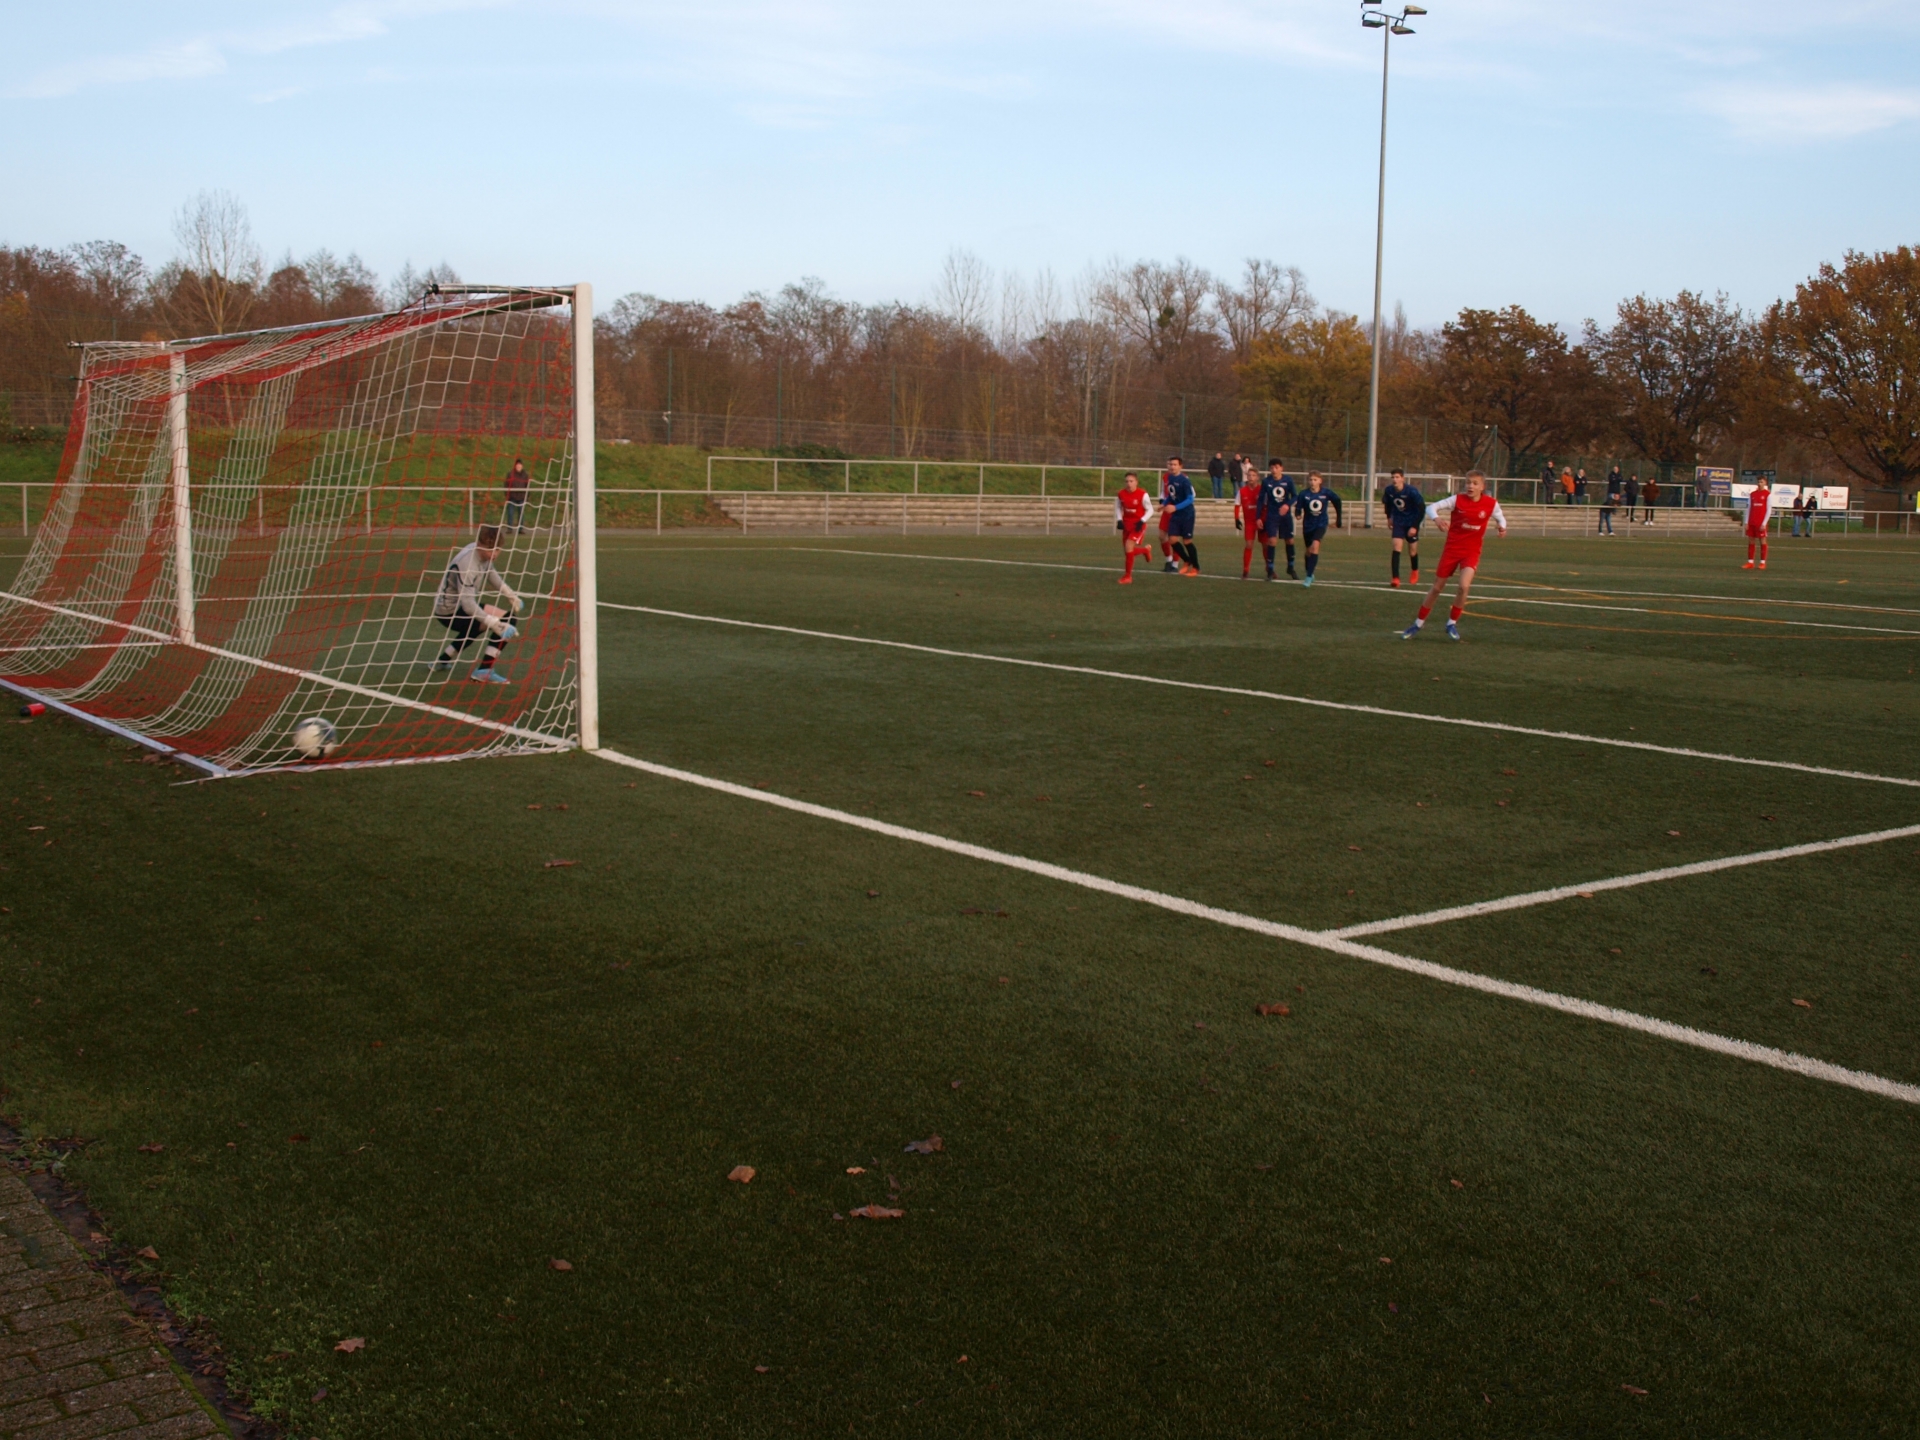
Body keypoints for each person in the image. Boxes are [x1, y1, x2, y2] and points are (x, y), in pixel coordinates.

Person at [1401, 470, 1506, 641]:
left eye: (1475, 483)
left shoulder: (1491, 503)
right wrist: (1436, 519)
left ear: (1482, 486)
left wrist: (1502, 527)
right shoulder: (1457, 500)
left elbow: (1500, 517)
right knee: (1437, 588)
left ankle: (1451, 623)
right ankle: (1418, 623)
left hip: (1471, 551)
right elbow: (1431, 507)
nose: (1470, 486)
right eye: (1468, 482)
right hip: (1452, 550)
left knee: (1464, 586)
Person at [431, 524, 522, 682]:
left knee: (482, 624)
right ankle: (484, 671)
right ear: (479, 544)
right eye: (490, 550)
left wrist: (510, 594)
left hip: (460, 606)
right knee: (500, 621)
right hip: (449, 612)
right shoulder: (467, 564)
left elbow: (490, 571)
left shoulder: (480, 552)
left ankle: (442, 661)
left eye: (497, 550)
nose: (494, 554)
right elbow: (468, 604)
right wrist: (493, 623)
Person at [1380, 468, 1425, 587]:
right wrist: (1389, 517)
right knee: (1396, 547)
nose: (1395, 480)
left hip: (1411, 522)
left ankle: (1414, 570)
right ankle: (1395, 578)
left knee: (1412, 551)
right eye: (1393, 477)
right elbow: (1388, 504)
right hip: (1399, 521)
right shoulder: (1389, 490)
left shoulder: (1411, 491)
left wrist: (1415, 526)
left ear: (1402, 479)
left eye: (1397, 477)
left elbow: (1422, 508)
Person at [1295, 471, 1341, 587]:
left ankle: (1309, 576)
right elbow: (1298, 507)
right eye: (1311, 480)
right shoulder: (1304, 494)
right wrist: (1298, 513)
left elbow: (1337, 501)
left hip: (1321, 524)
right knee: (1308, 551)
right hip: (1308, 525)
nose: (1312, 482)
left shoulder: (1326, 493)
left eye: (1315, 480)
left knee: (1315, 546)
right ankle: (1309, 570)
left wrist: (1338, 519)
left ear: (1320, 481)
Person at [1258, 459, 1297, 580]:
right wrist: (1258, 517)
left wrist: (1287, 505)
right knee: (1272, 541)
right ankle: (1270, 570)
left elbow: (1295, 496)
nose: (1274, 470)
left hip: (1285, 516)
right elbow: (1261, 499)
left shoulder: (1288, 480)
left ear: (1281, 468)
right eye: (1272, 468)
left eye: (1276, 467)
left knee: (1290, 540)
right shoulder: (1266, 481)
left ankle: (1291, 567)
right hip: (1272, 515)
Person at [1114, 472, 1154, 584]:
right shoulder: (1121, 494)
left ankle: (1128, 576)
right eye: (1127, 481)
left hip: (1138, 525)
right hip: (1127, 525)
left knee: (1128, 547)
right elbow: (1118, 507)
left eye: (1131, 481)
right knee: (1128, 551)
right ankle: (1145, 550)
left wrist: (1142, 521)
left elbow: (1150, 510)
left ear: (1136, 482)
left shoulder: (1143, 494)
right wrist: (1119, 520)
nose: (1129, 483)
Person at [1162, 457, 1199, 575]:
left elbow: (1190, 499)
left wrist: (1175, 507)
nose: (1172, 467)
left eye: (1175, 465)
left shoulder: (1185, 481)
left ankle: (1196, 567)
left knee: (1187, 541)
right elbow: (1172, 494)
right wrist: (1164, 503)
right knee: (1172, 539)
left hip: (1187, 514)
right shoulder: (1170, 478)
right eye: (1171, 464)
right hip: (1176, 514)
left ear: (1180, 466)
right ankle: (1187, 560)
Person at [1234, 462, 1265, 579]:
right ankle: (1246, 570)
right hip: (1249, 522)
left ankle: (1269, 568)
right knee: (1249, 544)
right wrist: (1237, 519)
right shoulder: (1242, 491)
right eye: (1249, 475)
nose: (1251, 477)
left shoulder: (1262, 490)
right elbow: (1237, 505)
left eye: (1253, 475)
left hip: (1261, 521)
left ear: (1257, 477)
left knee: (1266, 545)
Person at [1742, 476, 1773, 569]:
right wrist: (1746, 522)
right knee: (1751, 540)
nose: (1760, 484)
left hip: (1761, 522)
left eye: (1762, 482)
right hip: (1752, 521)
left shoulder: (1768, 494)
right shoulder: (1752, 494)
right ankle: (1750, 562)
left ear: (1765, 483)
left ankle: (1762, 562)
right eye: (1759, 482)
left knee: (1762, 540)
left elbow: (1769, 510)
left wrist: (1764, 523)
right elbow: (1749, 508)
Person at [503, 456, 530, 532]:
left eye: (520, 465)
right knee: (510, 513)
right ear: (515, 466)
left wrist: (527, 496)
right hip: (512, 497)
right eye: (517, 465)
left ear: (522, 466)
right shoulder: (510, 474)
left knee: (521, 513)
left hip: (521, 497)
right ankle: (509, 529)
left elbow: (527, 485)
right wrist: (507, 495)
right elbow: (506, 484)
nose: (518, 466)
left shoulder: (525, 474)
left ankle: (521, 529)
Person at [1599, 470, 1619, 535]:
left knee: (1608, 521)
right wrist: (1613, 505)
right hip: (1603, 510)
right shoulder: (1610, 499)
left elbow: (1619, 504)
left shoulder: (1617, 500)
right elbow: (1609, 503)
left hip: (1608, 511)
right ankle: (1600, 531)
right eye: (1616, 496)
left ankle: (1610, 531)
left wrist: (1616, 507)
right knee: (1601, 521)